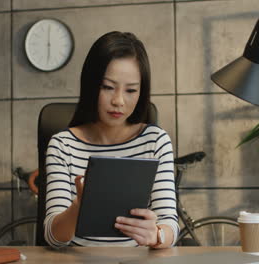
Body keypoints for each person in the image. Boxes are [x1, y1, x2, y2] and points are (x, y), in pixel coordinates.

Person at [43, 31, 179, 248]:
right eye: (107, 87)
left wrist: (156, 236)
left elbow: (170, 225)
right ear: (91, 85)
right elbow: (53, 237)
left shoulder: (155, 141)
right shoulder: (62, 145)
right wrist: (80, 205)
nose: (118, 101)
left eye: (131, 90)